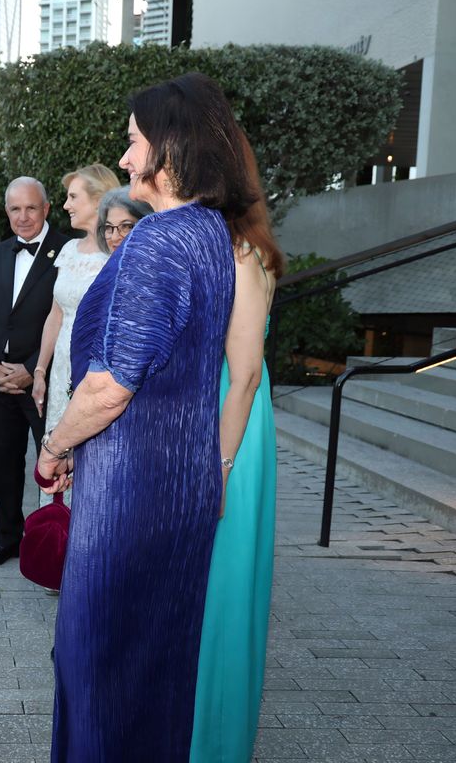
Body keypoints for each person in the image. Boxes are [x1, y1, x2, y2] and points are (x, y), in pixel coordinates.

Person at [36, 72, 259, 760]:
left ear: (170, 147)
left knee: (98, 665)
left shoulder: (160, 240)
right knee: (154, 669)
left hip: (132, 494)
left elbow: (110, 386)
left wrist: (55, 445)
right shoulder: (211, 233)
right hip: (181, 481)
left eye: (134, 141)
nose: (125, 156)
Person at [190, 133, 284, 763]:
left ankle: (214, 745)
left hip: (233, 428)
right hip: (220, 417)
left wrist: (219, 467)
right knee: (209, 594)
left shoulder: (244, 253)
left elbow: (244, 375)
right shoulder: (222, 247)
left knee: (224, 593)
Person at [0, 177, 70, 567]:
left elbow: (68, 322)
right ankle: (7, 538)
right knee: (2, 463)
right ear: (6, 212)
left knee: (55, 467)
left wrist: (33, 370)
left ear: (47, 209)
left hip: (45, 382)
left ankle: (55, 547)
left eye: (31, 208)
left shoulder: (68, 252)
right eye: (15, 209)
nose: (23, 216)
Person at [31, 168, 128, 471]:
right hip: (61, 370)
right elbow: (55, 314)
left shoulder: (119, 255)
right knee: (54, 453)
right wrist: (40, 371)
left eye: (73, 197)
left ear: (98, 200)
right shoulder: (68, 250)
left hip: (94, 372)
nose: (65, 205)